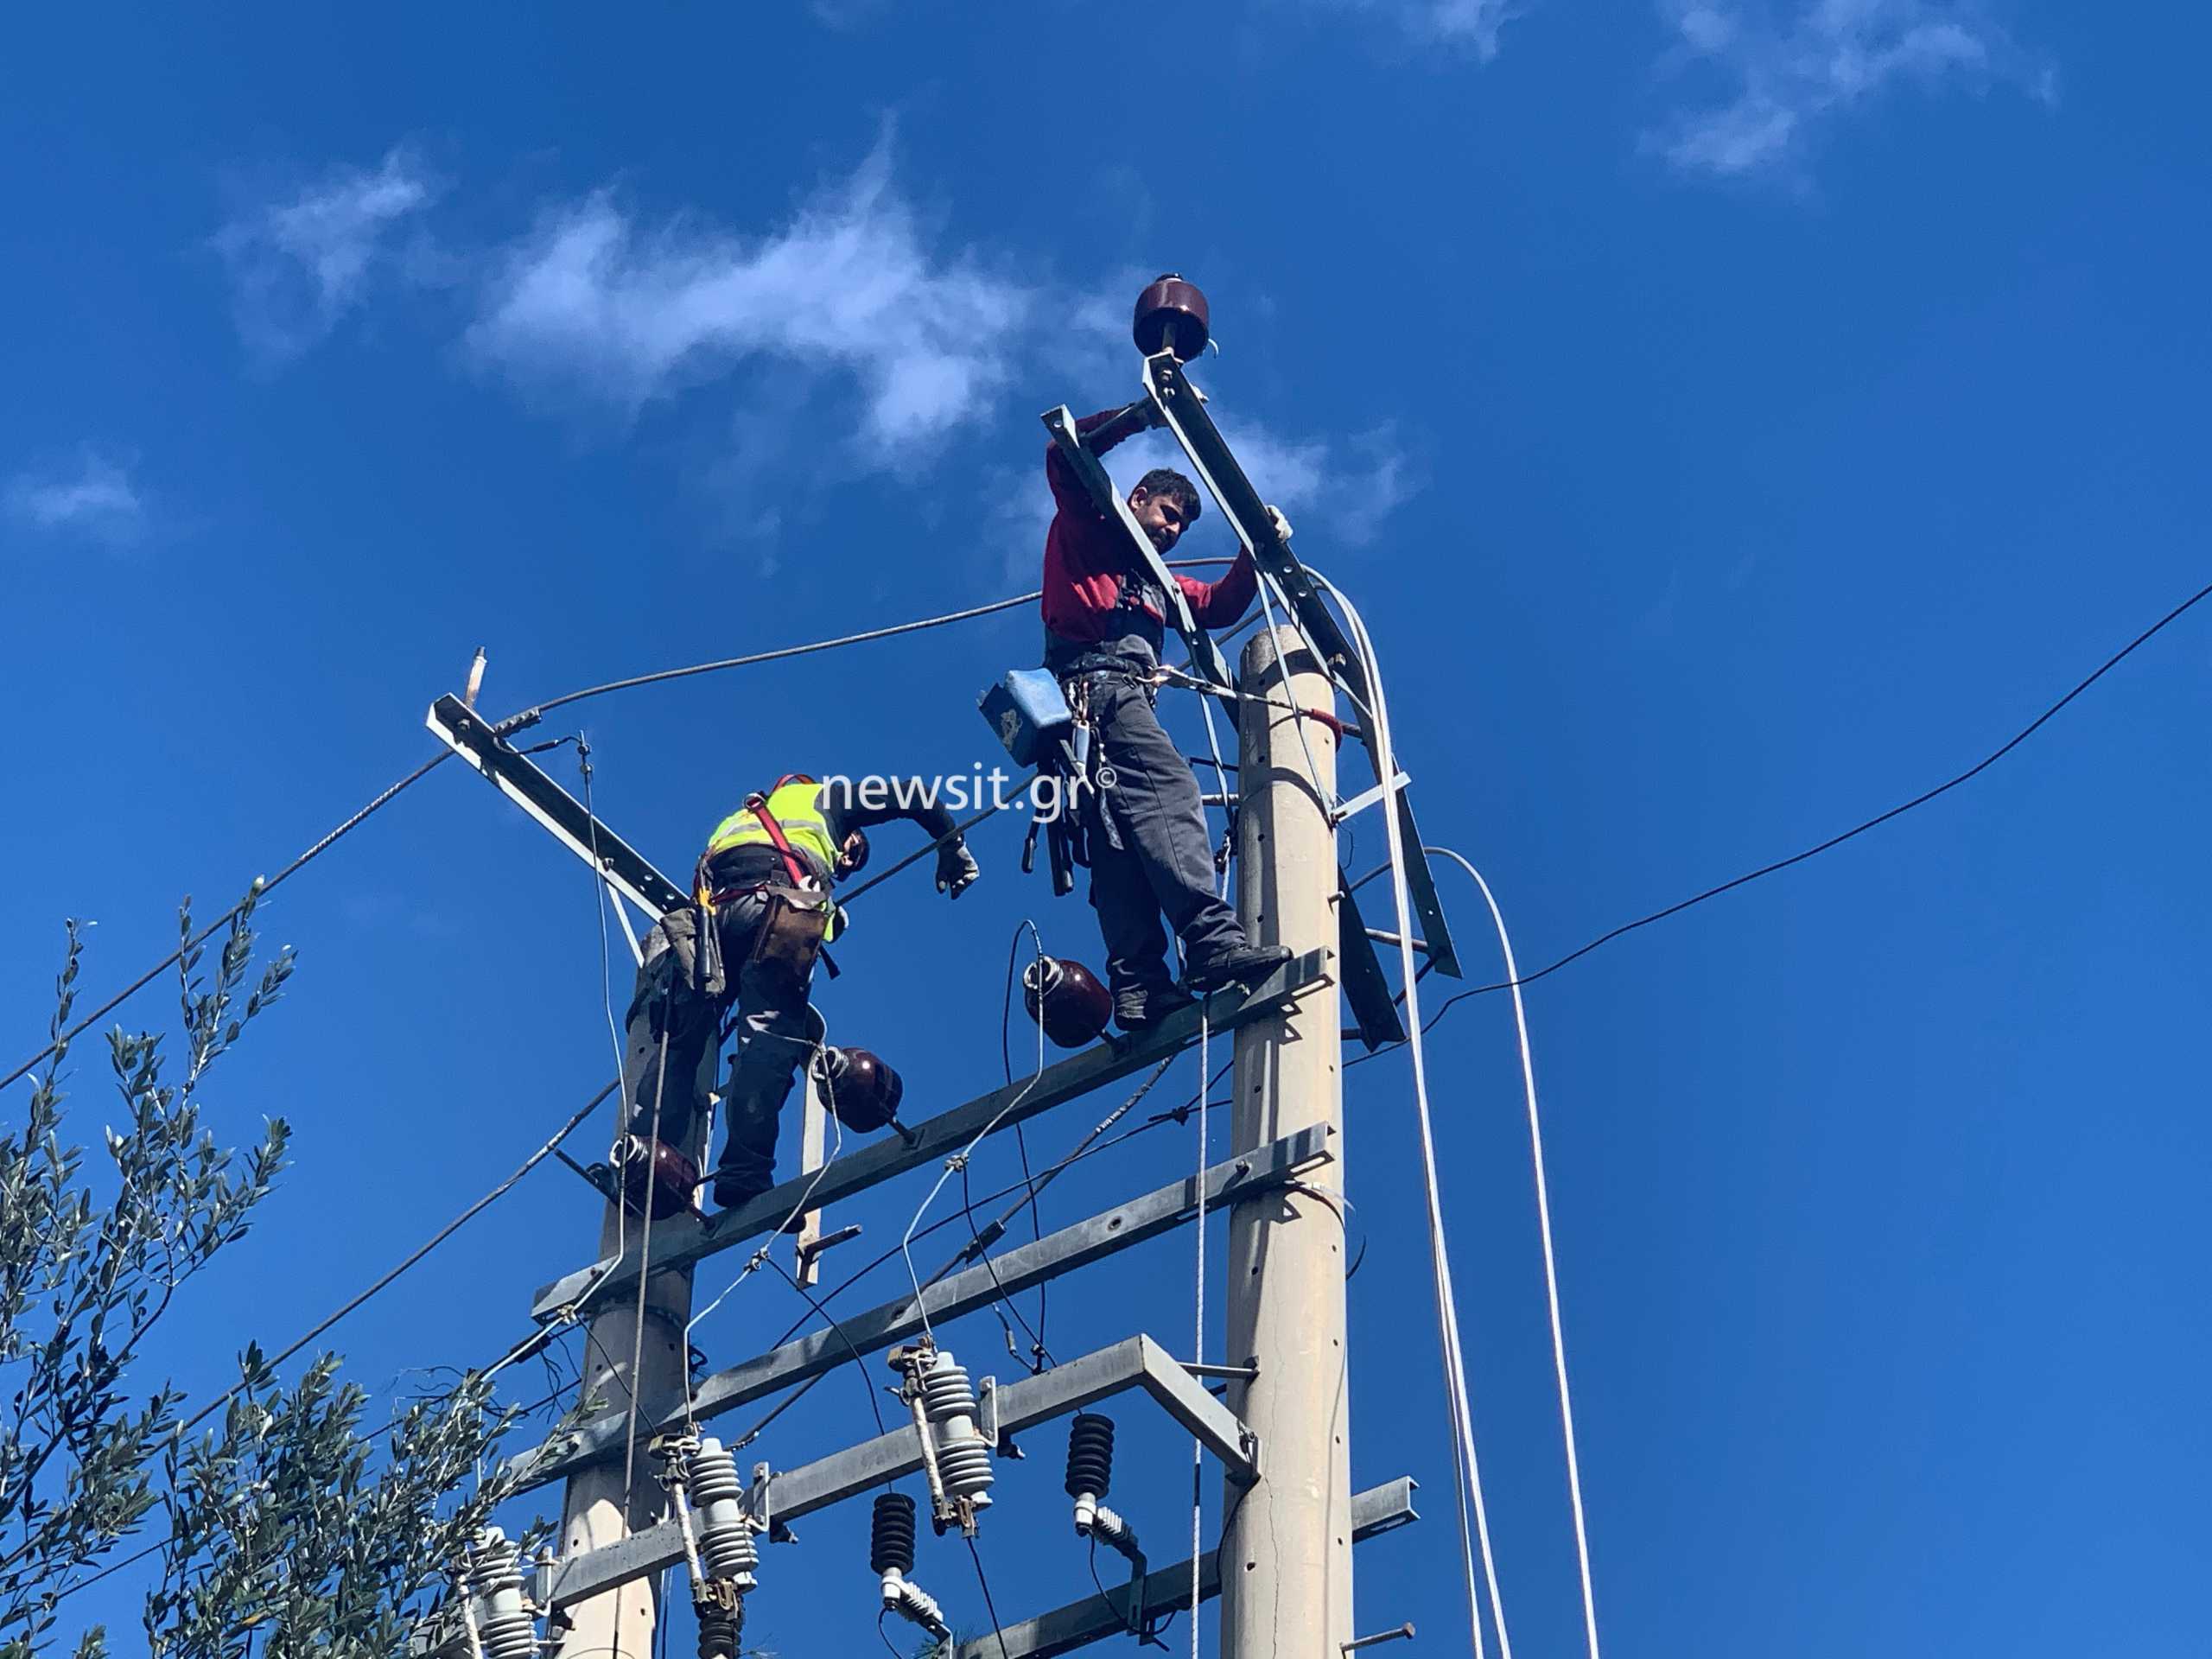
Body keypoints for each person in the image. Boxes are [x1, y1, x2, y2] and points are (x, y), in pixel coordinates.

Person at [620, 773, 981, 1210]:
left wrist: (825, 912)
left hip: (711, 925)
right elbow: (913, 795)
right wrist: (951, 847)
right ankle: (744, 1175)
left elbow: (740, 873)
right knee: (767, 1041)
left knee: (679, 1042)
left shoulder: (743, 816)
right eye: (851, 857)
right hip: (769, 913)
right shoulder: (826, 799)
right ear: (848, 839)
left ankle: (644, 1163)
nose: (845, 867)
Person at [1041, 404, 1290, 1033]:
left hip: (1093, 717)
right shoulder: (1089, 532)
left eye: (1182, 525)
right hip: (1098, 693)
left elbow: (1223, 603)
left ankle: (1141, 989)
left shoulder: (1165, 586)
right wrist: (1140, 417)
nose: (1174, 531)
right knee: (1169, 792)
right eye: (1168, 514)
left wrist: (1256, 547)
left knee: (1119, 841)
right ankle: (1210, 943)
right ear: (1138, 497)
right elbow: (1064, 458)